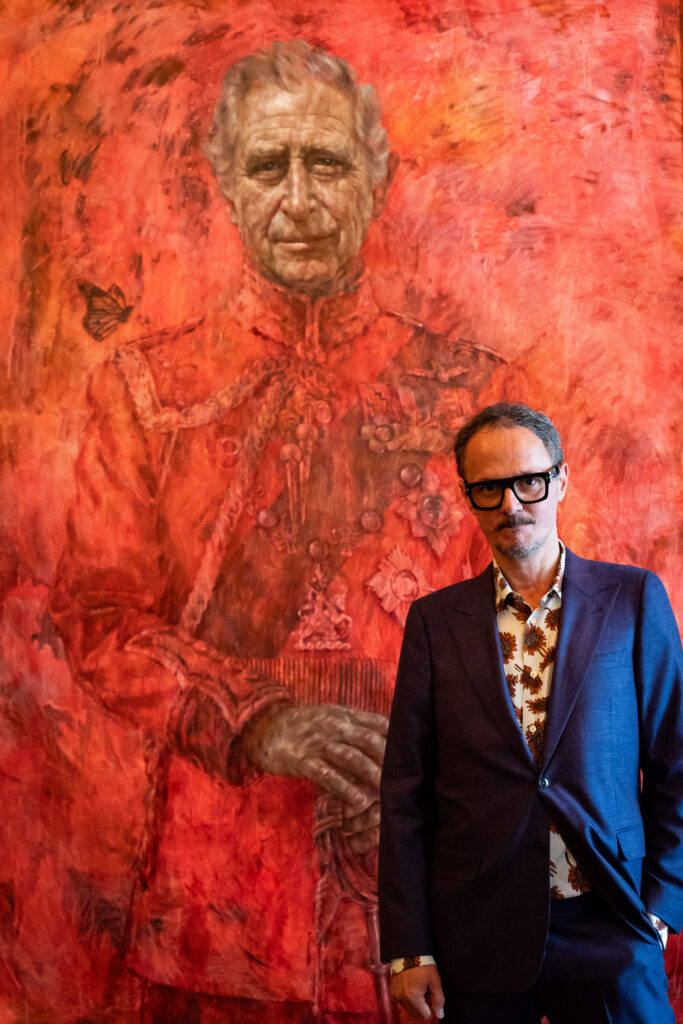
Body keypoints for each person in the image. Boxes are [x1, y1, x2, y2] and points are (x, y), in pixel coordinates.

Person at [51, 41, 519, 1022]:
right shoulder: (141, 391)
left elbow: (528, 638)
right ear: (226, 183)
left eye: (326, 162)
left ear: (375, 177)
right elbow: (96, 619)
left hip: (423, 905)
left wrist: (423, 764)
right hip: (214, 914)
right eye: (269, 166)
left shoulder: (470, 395)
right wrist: (263, 720)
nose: (298, 199)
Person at [378, 401, 683, 1023]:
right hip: (477, 929)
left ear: (561, 480)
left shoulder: (632, 599)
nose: (511, 505)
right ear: (469, 497)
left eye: (528, 482)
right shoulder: (436, 623)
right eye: (488, 488)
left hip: (612, 918)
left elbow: (676, 763)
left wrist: (661, 902)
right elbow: (406, 794)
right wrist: (411, 949)